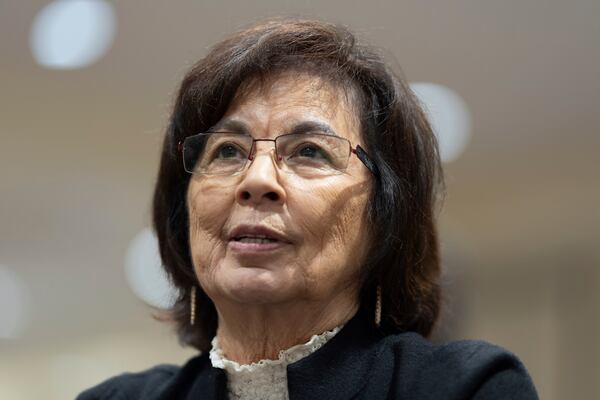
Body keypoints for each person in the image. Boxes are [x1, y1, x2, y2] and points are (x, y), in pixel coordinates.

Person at [78, 18, 538, 400]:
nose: (256, 180)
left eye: (309, 151)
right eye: (227, 152)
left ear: (384, 216)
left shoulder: (464, 387)